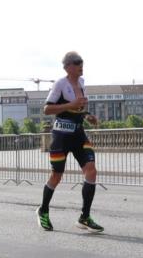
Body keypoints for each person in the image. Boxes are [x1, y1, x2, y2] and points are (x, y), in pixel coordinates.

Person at [37, 51, 104, 233]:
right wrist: (70, 105)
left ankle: (85, 217)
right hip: (61, 136)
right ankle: (43, 210)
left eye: (82, 62)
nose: (81, 65)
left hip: (79, 134)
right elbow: (47, 109)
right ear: (67, 67)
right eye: (77, 62)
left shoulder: (82, 83)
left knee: (91, 170)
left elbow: (78, 109)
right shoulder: (60, 84)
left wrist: (88, 115)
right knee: (56, 176)